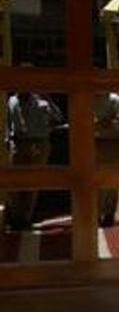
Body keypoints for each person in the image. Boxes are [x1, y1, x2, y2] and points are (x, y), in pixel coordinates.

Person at [4, 91, 64, 230]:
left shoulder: (41, 102)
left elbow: (58, 118)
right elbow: (8, 121)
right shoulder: (12, 101)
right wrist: (7, 138)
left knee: (33, 182)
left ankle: (25, 218)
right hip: (18, 144)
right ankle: (15, 215)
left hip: (37, 143)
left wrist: (49, 101)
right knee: (14, 181)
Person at [94, 91, 119, 226]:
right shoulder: (89, 98)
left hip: (110, 142)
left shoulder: (114, 100)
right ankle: (95, 214)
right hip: (93, 142)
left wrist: (101, 123)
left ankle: (108, 214)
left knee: (111, 179)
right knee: (94, 179)